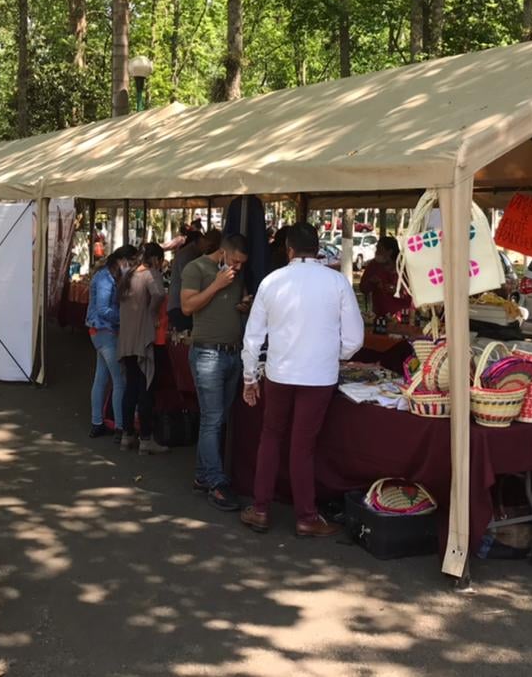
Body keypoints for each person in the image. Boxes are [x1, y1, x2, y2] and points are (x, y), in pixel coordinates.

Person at [238, 222, 363, 538]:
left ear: (289, 249)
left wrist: (249, 376)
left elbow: (253, 337)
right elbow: (354, 339)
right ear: (318, 248)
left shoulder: (272, 281)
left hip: (279, 372)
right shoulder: (337, 282)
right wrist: (333, 354)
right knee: (303, 445)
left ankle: (261, 509)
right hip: (319, 376)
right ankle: (306, 516)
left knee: (271, 436)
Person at [181, 231, 251, 512]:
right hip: (207, 353)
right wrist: (217, 285)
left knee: (218, 419)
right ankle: (216, 482)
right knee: (213, 418)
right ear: (222, 253)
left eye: (242, 263)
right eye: (235, 261)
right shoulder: (195, 268)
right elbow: (187, 307)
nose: (238, 267)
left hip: (233, 353)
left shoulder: (237, 276)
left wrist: (242, 305)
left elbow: (230, 306)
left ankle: (203, 474)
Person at [117, 242, 169, 454]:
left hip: (126, 338)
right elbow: (159, 294)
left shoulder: (128, 275)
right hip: (143, 338)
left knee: (130, 388)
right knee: (145, 388)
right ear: (156, 259)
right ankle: (146, 439)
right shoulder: (150, 274)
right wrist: (153, 313)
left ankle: (127, 435)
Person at [87, 244, 138, 440]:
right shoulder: (105, 278)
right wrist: (124, 316)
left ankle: (97, 422)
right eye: (131, 262)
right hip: (105, 332)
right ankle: (120, 427)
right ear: (122, 260)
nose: (132, 266)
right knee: (120, 380)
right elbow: (103, 310)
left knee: (101, 378)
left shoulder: (108, 275)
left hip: (100, 332)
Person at [167, 226, 213, 334]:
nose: (208, 248)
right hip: (179, 305)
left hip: (181, 304)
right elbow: (188, 277)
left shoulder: (192, 254)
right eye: (208, 245)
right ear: (201, 241)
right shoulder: (187, 255)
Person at [358, 236, 413, 318]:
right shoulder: (373, 265)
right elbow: (363, 288)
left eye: (380, 249)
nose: (376, 252)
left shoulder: (403, 266)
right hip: (379, 314)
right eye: (377, 249)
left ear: (389, 252)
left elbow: (410, 292)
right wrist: (370, 282)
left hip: (402, 315)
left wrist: (393, 289)